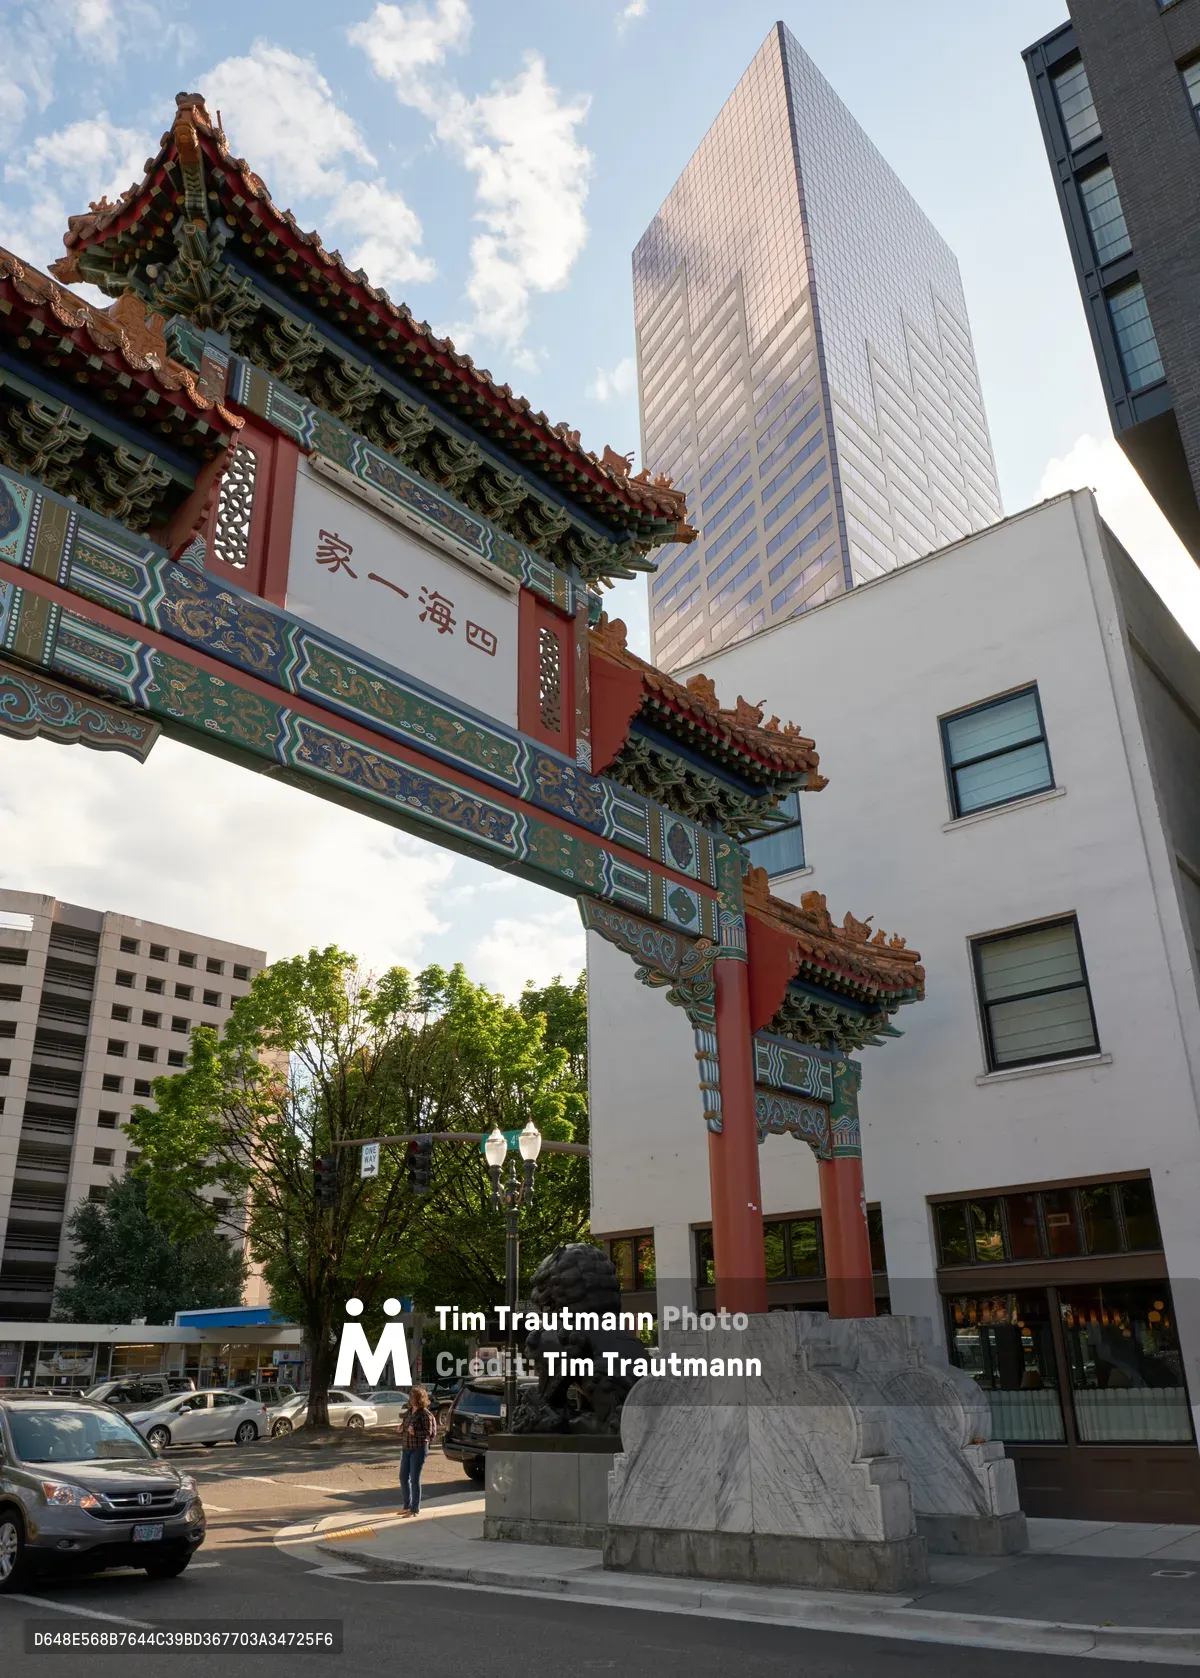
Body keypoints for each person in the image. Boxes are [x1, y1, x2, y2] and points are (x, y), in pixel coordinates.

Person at [399, 1385, 436, 1517]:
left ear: (420, 1398)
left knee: (414, 1479)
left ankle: (414, 1509)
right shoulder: (409, 1412)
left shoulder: (425, 1414)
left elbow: (428, 1432)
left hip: (418, 1449)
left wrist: (415, 1432)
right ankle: (406, 1505)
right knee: (403, 1477)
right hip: (406, 1448)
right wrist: (401, 1428)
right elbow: (406, 1426)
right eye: (410, 1396)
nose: (411, 1398)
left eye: (413, 1396)